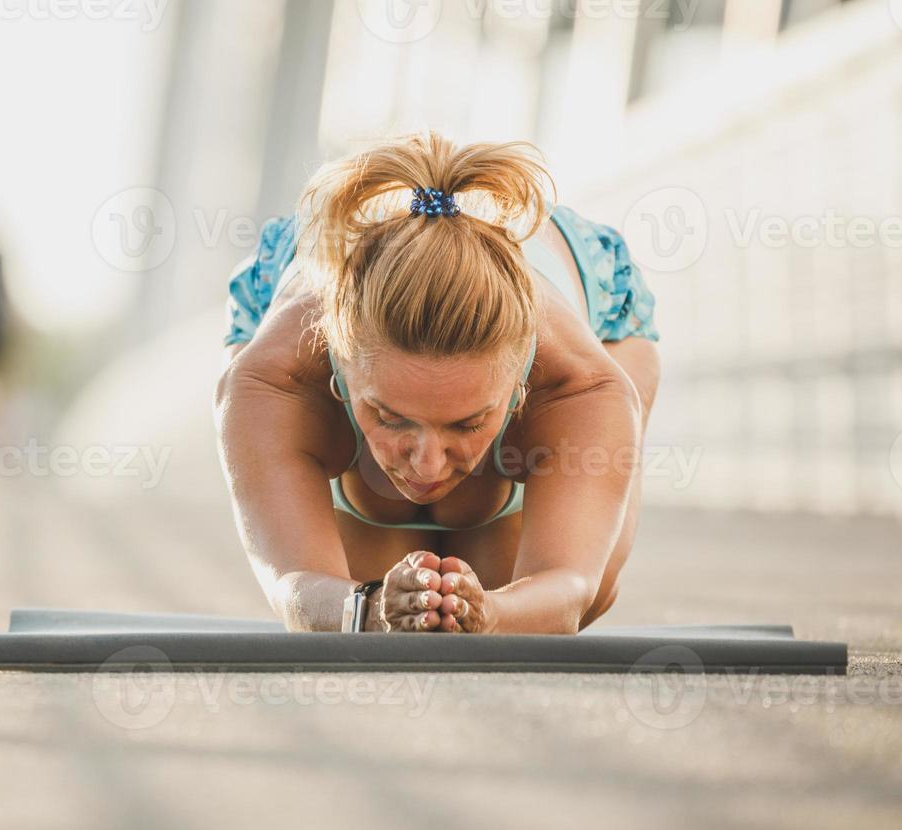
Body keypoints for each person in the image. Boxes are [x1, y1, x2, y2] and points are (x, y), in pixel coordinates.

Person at [214, 132, 660, 634]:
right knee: (373, 607)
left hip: (593, 303)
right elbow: (296, 588)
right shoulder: (274, 376)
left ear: (521, 384)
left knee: (522, 596)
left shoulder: (579, 382)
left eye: (469, 422)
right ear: (337, 365)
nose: (427, 464)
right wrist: (370, 607)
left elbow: (571, 591)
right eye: (388, 416)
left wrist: (493, 613)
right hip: (297, 317)